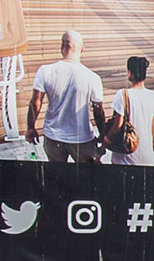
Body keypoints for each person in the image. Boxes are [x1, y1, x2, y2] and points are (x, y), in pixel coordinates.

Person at [26, 30, 105, 163]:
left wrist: (30, 127)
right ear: (82, 50)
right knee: (86, 177)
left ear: (62, 46)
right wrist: (103, 135)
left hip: (53, 137)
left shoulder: (45, 71)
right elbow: (98, 111)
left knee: (58, 177)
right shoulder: (92, 77)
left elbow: (36, 103)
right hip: (82, 139)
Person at [97, 55, 154, 166]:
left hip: (124, 157)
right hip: (146, 158)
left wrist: (107, 138)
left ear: (130, 73)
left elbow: (117, 125)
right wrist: (153, 143)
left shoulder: (122, 95)